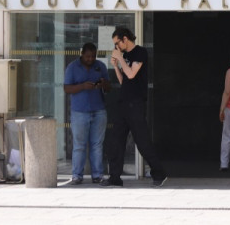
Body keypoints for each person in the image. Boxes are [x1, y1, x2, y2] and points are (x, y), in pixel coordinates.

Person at [105, 27, 168, 188]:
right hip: (124, 102)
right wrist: (117, 67)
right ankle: (114, 177)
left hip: (136, 103)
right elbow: (124, 80)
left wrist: (120, 58)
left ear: (125, 39)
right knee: (116, 140)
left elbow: (132, 74)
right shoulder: (124, 55)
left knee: (142, 141)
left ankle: (159, 173)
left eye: (117, 43)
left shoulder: (140, 52)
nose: (116, 47)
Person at [63, 42, 109, 185]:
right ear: (82, 54)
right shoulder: (72, 67)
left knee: (97, 145)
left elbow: (109, 88)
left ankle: (97, 175)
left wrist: (103, 84)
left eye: (93, 56)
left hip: (99, 110)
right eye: (88, 56)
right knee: (79, 145)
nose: (91, 59)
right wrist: (82, 86)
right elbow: (66, 88)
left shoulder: (100, 66)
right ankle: (77, 175)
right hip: (79, 112)